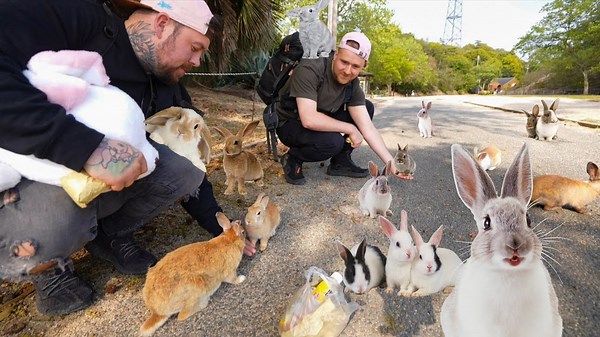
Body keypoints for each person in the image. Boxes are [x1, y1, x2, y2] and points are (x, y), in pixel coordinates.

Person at [0, 0, 252, 317]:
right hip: (25, 169)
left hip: (99, 179)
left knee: (183, 168)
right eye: (195, 47)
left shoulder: (167, 87)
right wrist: (82, 147)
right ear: (162, 24)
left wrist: (218, 224)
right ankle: (50, 272)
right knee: (57, 217)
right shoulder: (76, 18)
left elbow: (195, 160)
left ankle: (110, 235)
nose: (197, 61)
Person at [274, 31, 413, 185]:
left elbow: (367, 127)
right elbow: (309, 119)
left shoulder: (352, 83)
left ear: (364, 65)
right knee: (332, 142)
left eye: (355, 66)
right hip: (290, 122)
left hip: (320, 116)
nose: (347, 71)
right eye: (344, 62)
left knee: (366, 107)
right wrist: (351, 129)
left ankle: (340, 162)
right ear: (336, 55)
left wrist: (391, 163)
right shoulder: (311, 68)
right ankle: (293, 158)